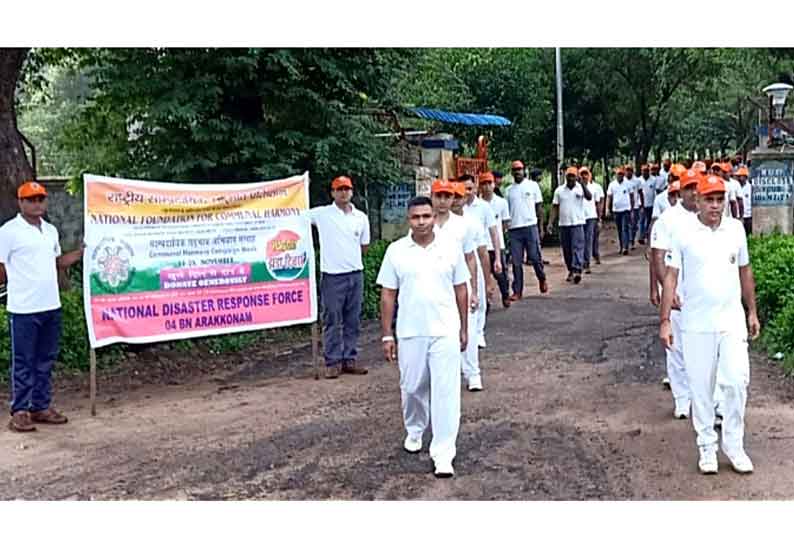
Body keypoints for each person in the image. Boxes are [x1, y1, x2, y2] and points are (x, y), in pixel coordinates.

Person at [660, 175, 760, 475]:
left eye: (720, 200)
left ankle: (734, 443)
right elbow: (671, 276)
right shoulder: (683, 233)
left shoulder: (736, 230)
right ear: (698, 201)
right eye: (709, 200)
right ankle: (707, 446)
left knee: (736, 381)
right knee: (701, 389)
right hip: (696, 324)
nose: (715, 206)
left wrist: (752, 311)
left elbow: (745, 271)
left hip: (731, 321)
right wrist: (665, 320)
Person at [377, 195, 470, 479]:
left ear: (433, 217)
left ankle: (443, 454)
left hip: (445, 331)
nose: (421, 222)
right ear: (409, 219)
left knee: (445, 392)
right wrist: (386, 335)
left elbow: (461, 289)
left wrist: (465, 328)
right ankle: (415, 429)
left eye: (426, 216)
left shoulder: (450, 247)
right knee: (413, 385)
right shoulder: (396, 251)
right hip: (410, 331)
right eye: (416, 217)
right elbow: (388, 294)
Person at [0, 181, 83, 432]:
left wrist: (80, 254)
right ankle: (20, 411)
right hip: (24, 308)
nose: (36, 204)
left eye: (40, 199)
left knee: (45, 359)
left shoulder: (50, 230)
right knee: (24, 360)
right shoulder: (9, 231)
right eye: (31, 200)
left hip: (50, 305)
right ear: (20, 202)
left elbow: (57, 262)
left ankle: (41, 406)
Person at [308, 175, 371, 379]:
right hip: (332, 276)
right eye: (339, 189)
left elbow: (364, 245)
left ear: (352, 191)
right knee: (332, 318)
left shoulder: (360, 217)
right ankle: (333, 361)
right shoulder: (322, 214)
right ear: (333, 193)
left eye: (347, 189)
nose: (344, 193)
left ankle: (349, 358)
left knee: (352, 319)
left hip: (355, 273)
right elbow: (296, 215)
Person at [649, 173, 695, 420]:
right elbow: (657, 256)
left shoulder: (707, 218)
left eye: (697, 187)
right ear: (679, 193)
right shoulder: (667, 220)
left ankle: (707, 400)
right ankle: (682, 399)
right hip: (677, 289)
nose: (694, 193)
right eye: (689, 188)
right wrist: (666, 290)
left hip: (701, 293)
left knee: (703, 346)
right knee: (675, 347)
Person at [432, 180, 484, 392]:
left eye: (447, 196)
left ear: (453, 199)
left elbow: (470, 258)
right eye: (439, 196)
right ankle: (442, 374)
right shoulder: (425, 222)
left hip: (460, 285)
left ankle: (473, 374)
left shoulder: (463, 225)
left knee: (467, 330)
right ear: (432, 197)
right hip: (434, 285)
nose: (443, 201)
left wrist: (474, 291)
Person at [460, 174, 500, 347]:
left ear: (475, 188)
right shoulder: (457, 210)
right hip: (458, 258)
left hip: (479, 253)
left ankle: (479, 332)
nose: (466, 193)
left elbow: (493, 232)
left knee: (480, 294)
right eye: (463, 189)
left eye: (469, 188)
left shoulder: (483, 208)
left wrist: (497, 258)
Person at [505, 161, 548, 299]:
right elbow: (506, 213)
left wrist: (541, 227)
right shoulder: (508, 190)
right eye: (515, 170)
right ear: (512, 172)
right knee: (517, 262)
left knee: (535, 258)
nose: (517, 172)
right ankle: (517, 291)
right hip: (514, 229)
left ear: (524, 170)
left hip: (530, 227)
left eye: (520, 169)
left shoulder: (533, 186)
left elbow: (539, 208)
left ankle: (541, 278)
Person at [548, 166, 592, 283]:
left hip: (577, 223)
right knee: (567, 250)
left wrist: (582, 184)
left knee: (577, 247)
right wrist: (550, 223)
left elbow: (589, 197)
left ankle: (577, 270)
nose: (571, 178)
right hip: (564, 224)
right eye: (569, 176)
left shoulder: (580, 188)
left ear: (576, 177)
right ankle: (571, 270)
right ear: (566, 177)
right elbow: (555, 207)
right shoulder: (559, 190)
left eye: (573, 176)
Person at [479, 171, 511, 308]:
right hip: (481, 245)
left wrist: (499, 238)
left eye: (489, 183)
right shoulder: (476, 204)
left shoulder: (502, 202)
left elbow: (505, 223)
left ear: (494, 185)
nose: (487, 187)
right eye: (483, 184)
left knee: (501, 273)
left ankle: (505, 295)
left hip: (497, 245)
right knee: (481, 275)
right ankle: (486, 300)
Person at [605, 167, 634, 255]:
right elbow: (609, 197)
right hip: (616, 210)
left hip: (626, 209)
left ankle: (625, 247)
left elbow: (632, 197)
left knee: (625, 228)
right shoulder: (612, 185)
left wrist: (632, 209)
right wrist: (607, 209)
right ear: (616, 175)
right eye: (618, 174)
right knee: (619, 229)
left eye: (621, 174)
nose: (620, 176)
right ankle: (622, 246)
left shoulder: (628, 184)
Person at [580, 166, 604, 271]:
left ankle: (586, 262)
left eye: (586, 174)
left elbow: (598, 203)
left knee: (588, 240)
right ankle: (580, 261)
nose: (584, 176)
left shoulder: (595, 188)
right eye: (582, 174)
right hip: (579, 217)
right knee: (580, 241)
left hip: (591, 217)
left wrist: (599, 218)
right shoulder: (577, 187)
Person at [624, 165, 643, 250]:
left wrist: (642, 204)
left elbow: (641, 193)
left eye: (630, 170)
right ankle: (627, 242)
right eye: (627, 170)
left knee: (634, 224)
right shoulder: (623, 181)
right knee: (627, 225)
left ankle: (632, 240)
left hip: (635, 206)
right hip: (625, 207)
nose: (628, 172)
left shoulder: (637, 181)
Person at [639, 165, 656, 244]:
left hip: (651, 203)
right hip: (641, 204)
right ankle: (641, 236)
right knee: (641, 220)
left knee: (649, 220)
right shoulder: (639, 180)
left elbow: (656, 191)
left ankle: (647, 234)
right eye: (643, 170)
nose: (645, 172)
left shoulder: (653, 180)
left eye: (646, 170)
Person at [737, 166, 752, 234]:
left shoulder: (751, 188)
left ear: (746, 177)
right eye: (738, 176)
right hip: (738, 216)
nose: (739, 178)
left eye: (741, 176)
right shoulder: (736, 187)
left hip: (748, 216)